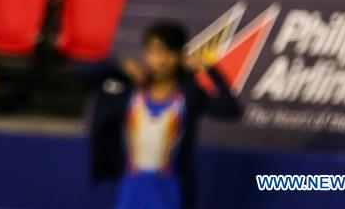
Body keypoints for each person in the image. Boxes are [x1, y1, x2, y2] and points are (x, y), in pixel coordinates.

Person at [87, 22, 242, 209]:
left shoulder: (189, 95)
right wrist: (117, 64)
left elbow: (232, 109)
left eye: (168, 53)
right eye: (154, 52)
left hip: (170, 188)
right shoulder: (131, 90)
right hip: (131, 186)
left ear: (180, 56)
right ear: (145, 53)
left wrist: (210, 69)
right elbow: (81, 77)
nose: (160, 60)